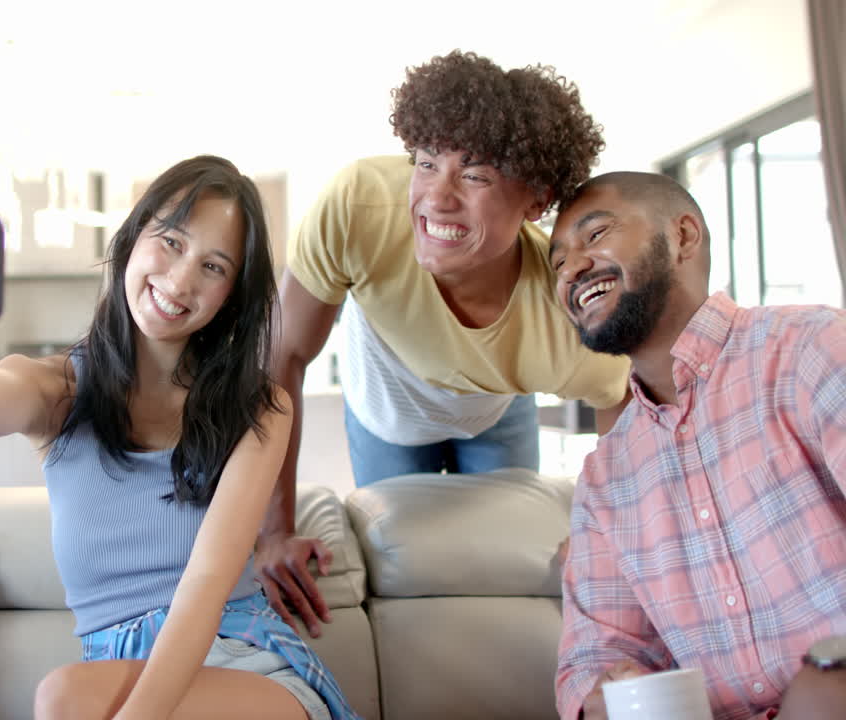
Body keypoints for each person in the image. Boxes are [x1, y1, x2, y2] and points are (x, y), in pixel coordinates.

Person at [0, 156, 359, 720]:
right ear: (133, 237)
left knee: (66, 697)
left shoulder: (260, 408)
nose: (180, 281)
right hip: (116, 674)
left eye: (214, 266)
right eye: (172, 242)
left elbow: (205, 582)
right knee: (68, 695)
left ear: (232, 293)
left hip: (248, 664)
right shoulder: (56, 390)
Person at [257, 49, 632, 637]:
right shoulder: (358, 207)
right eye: (426, 163)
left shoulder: (558, 322)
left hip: (494, 406)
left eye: (476, 174)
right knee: (400, 559)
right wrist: (273, 529)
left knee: (505, 559)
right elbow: (282, 358)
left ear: (536, 200)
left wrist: (604, 534)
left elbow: (624, 408)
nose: (436, 196)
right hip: (386, 409)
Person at [551, 171, 846, 720]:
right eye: (557, 261)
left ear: (683, 236)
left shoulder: (812, 350)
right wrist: (609, 693)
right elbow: (595, 659)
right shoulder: (605, 479)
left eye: (595, 235)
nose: (571, 267)